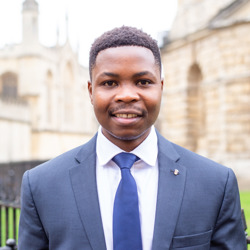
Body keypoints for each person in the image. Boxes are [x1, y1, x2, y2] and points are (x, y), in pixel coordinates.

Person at [18, 26, 246, 250]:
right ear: (90, 91)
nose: (127, 95)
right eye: (109, 83)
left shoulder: (215, 183)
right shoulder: (41, 186)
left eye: (143, 82)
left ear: (161, 88)